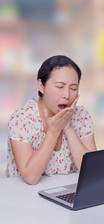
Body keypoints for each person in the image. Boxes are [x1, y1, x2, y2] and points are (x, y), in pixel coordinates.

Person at [6, 55, 96, 185]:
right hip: (25, 197)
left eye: (73, 88)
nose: (67, 95)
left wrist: (68, 127)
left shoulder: (82, 115)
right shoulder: (20, 120)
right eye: (60, 86)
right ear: (41, 86)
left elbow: (92, 170)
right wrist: (53, 131)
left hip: (68, 193)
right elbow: (31, 178)